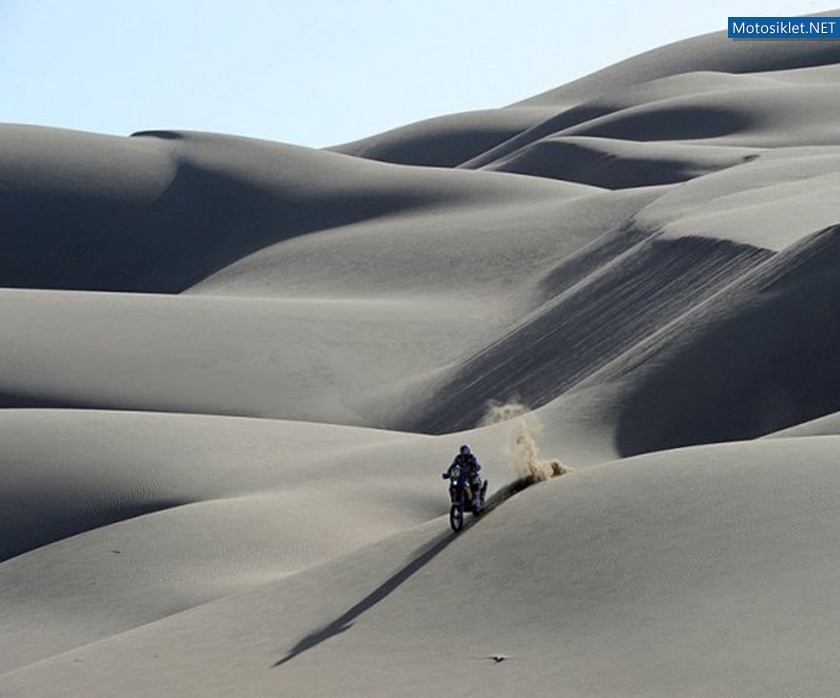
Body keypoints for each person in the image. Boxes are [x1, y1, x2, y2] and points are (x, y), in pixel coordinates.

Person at [442, 444, 482, 510]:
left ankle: (476, 501)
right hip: (461, 476)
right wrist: (448, 473)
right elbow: (453, 466)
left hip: (470, 475)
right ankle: (455, 500)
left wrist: (474, 470)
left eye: (466, 451)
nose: (465, 453)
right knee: (453, 486)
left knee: (475, 484)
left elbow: (476, 465)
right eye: (463, 452)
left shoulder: (471, 458)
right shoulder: (458, 458)